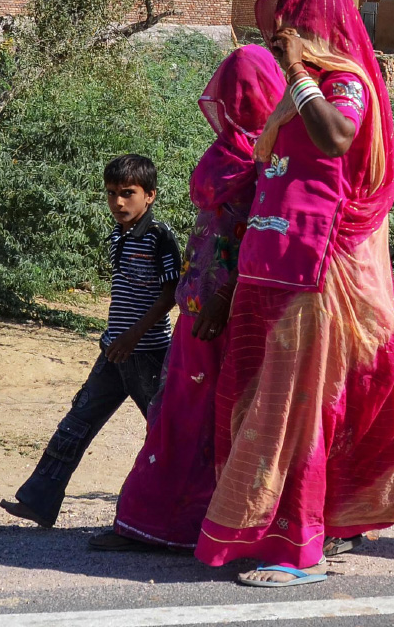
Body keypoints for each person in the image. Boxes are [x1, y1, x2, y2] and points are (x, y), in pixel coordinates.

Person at [194, 0, 394, 587]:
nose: (280, 30)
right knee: (252, 405)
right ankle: (260, 530)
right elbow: (268, 162)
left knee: (296, 411)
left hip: (312, 270)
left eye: (292, 18)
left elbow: (337, 138)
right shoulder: (307, 88)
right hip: (269, 265)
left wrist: (297, 75)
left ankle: (299, 548)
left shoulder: (343, 83)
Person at [89, 46, 283, 552]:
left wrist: (227, 294)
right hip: (196, 302)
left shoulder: (276, 159)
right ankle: (152, 522)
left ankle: (215, 525)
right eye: (228, 90)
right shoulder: (232, 148)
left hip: (231, 310)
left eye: (242, 91)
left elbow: (262, 235)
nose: (232, 101)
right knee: (177, 413)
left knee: (220, 418)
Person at [1, 154, 181, 528]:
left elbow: (169, 296)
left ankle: (180, 512)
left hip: (147, 354)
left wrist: (132, 337)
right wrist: (118, 339)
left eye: (127, 193)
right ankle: (39, 500)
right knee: (76, 422)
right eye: (111, 193)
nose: (118, 202)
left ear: (150, 195)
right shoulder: (118, 235)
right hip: (114, 351)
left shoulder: (160, 236)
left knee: (166, 433)